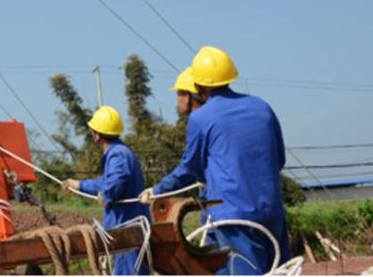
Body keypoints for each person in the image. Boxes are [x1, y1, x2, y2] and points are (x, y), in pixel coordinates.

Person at [140, 46, 291, 275]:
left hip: (233, 218)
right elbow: (278, 160)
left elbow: (189, 169)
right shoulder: (262, 107)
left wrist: (159, 190)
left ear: (197, 87)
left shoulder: (201, 118)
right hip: (272, 213)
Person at [63, 106, 150, 275]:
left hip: (126, 229)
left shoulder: (117, 154)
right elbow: (105, 182)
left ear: (96, 135)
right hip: (127, 229)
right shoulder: (121, 151)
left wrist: (108, 195)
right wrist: (78, 185)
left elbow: (116, 181)